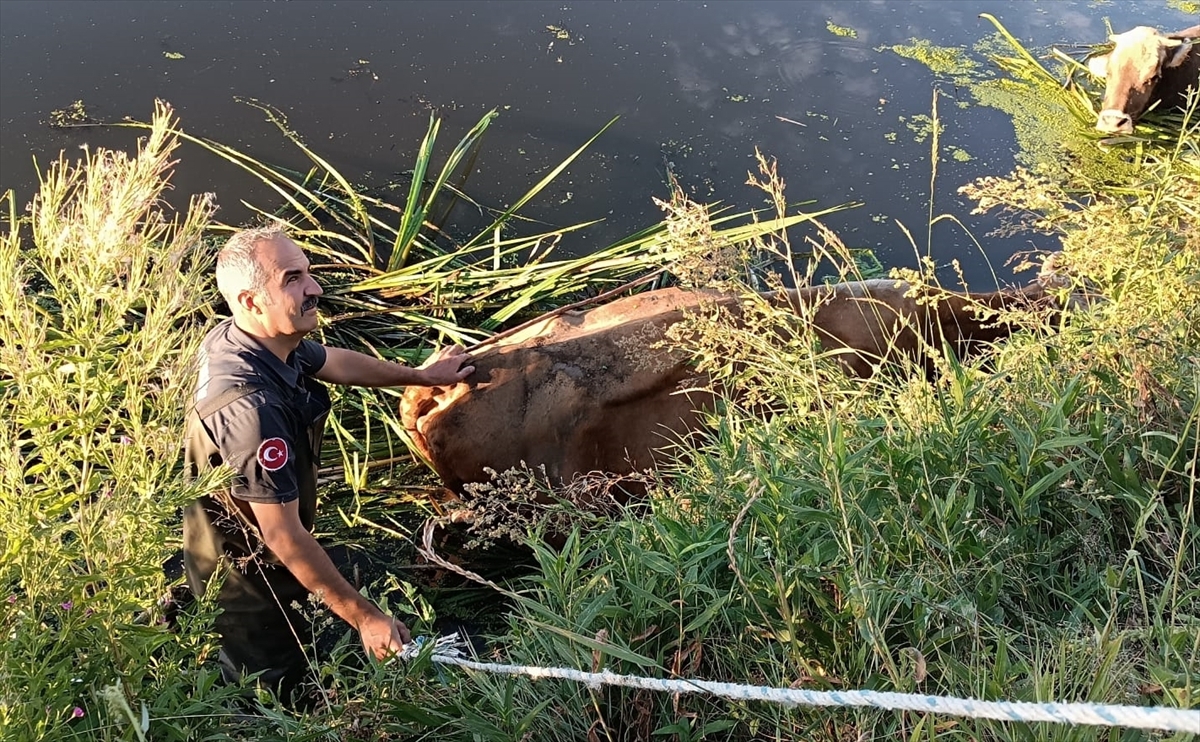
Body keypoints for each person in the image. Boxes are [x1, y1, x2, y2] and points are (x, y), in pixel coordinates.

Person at [182, 226, 474, 704]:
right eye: (293, 278)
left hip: (250, 537)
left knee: (297, 637)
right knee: (272, 687)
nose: (315, 288)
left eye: (309, 273)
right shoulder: (252, 410)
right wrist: (366, 618)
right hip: (248, 572)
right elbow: (284, 537)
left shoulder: (252, 339)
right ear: (251, 300)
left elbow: (334, 362)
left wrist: (421, 375)